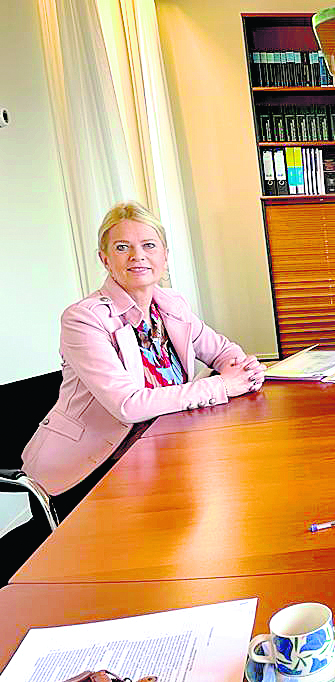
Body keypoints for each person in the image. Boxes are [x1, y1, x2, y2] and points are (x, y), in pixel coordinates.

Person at [22, 201, 266, 513]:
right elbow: (128, 405)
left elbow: (220, 349)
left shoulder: (170, 304)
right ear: (105, 259)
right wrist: (223, 387)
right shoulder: (83, 319)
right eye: (122, 247)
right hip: (92, 470)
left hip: (163, 451)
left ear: (164, 256)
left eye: (148, 245)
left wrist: (242, 368)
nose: (138, 256)